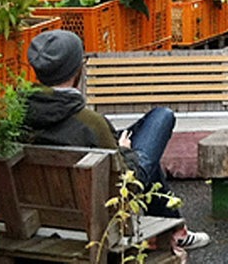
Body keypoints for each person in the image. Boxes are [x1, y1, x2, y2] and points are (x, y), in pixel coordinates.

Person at [23, 30, 211, 250]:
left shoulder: (19, 115)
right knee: (161, 118)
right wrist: (124, 150)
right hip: (105, 203)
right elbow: (124, 178)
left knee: (146, 144)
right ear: (77, 70)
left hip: (46, 207)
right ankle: (176, 232)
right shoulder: (90, 123)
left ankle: (176, 231)